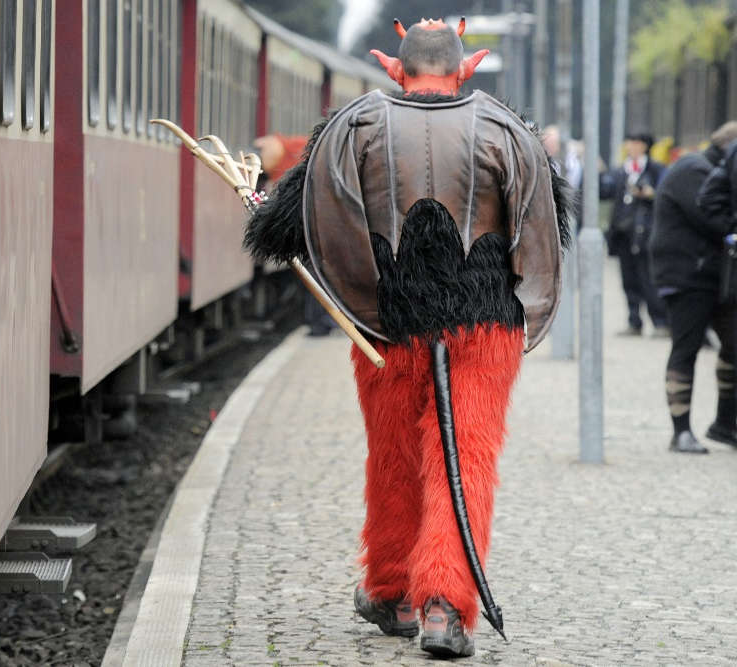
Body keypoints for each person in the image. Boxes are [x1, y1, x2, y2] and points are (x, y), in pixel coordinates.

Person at [242, 18, 570, 659]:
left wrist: (257, 204)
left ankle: (389, 588)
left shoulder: (351, 125)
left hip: (385, 327)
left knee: (393, 453)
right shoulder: (509, 128)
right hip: (483, 326)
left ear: (393, 67)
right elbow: (550, 219)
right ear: (467, 67)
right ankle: (445, 610)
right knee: (464, 458)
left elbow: (283, 233)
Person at [651, 122, 737, 454]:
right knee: (686, 351)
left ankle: (724, 424)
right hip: (687, 278)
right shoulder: (693, 169)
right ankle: (681, 430)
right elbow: (713, 218)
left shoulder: (707, 169)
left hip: (716, 277)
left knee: (732, 346)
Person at [253, 133, 336, 336]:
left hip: (317, 231)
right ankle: (320, 322)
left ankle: (319, 324)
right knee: (318, 275)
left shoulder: (291, 161)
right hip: (320, 230)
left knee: (315, 275)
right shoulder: (308, 156)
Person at [601, 131, 670, 337]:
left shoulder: (656, 169)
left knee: (648, 280)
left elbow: (665, 196)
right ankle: (634, 321)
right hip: (624, 234)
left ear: (645, 145)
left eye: (635, 142)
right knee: (628, 281)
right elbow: (609, 194)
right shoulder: (622, 171)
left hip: (645, 234)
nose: (630, 146)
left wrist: (650, 194)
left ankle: (660, 323)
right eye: (629, 142)